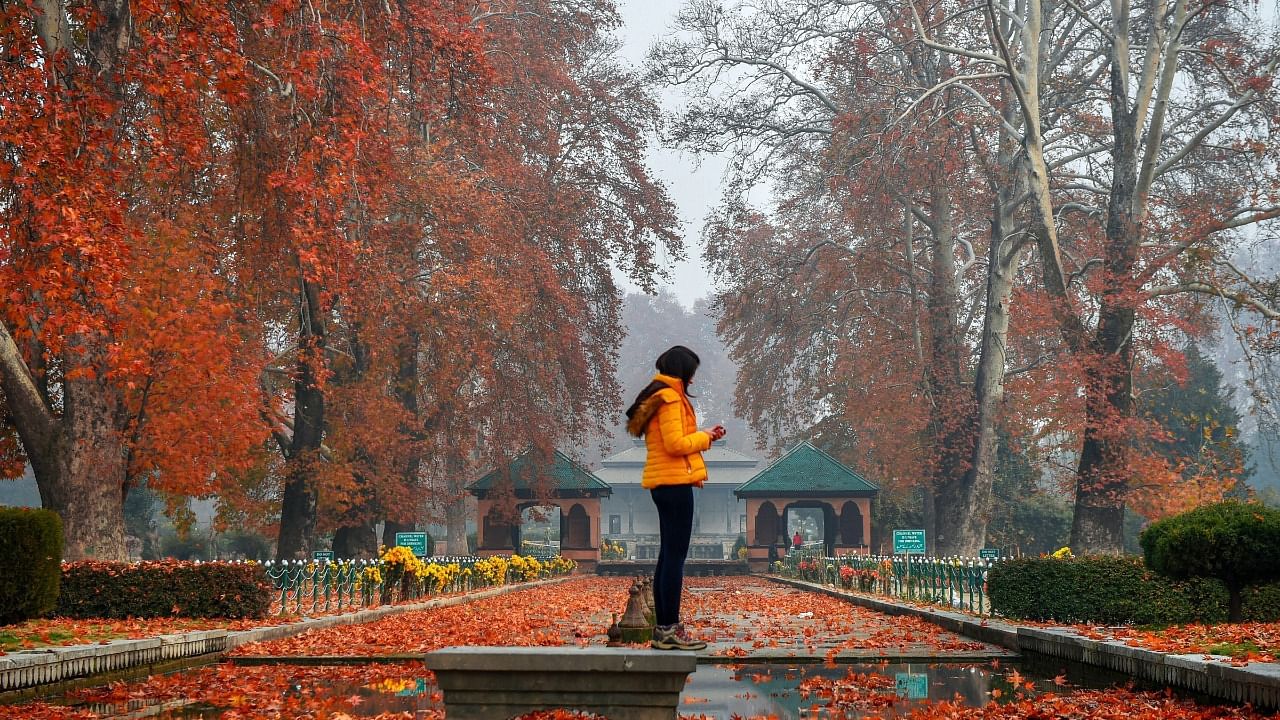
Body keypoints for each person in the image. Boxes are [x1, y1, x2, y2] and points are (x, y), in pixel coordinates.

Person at [625, 345, 725, 651]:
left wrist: (705, 432)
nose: (693, 380)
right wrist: (705, 437)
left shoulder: (664, 395)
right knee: (675, 558)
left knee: (668, 556)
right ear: (683, 372)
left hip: (665, 483)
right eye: (692, 373)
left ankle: (664, 628)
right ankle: (669, 627)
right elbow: (675, 443)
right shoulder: (669, 399)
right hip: (673, 483)